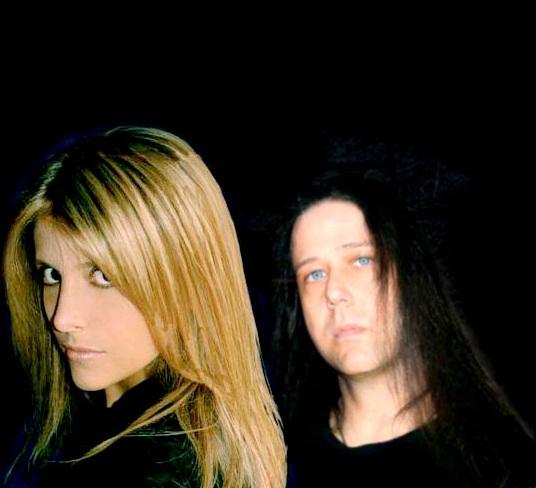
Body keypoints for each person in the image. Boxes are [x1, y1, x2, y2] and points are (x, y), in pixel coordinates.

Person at [2, 126, 286, 487]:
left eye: (103, 276)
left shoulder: (146, 470)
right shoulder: (211, 439)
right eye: (51, 275)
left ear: (184, 277)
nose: (62, 318)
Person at [271, 170, 535, 487]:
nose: (334, 291)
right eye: (314, 274)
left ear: (409, 275)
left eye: (361, 260)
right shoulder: (276, 464)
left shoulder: (500, 462)